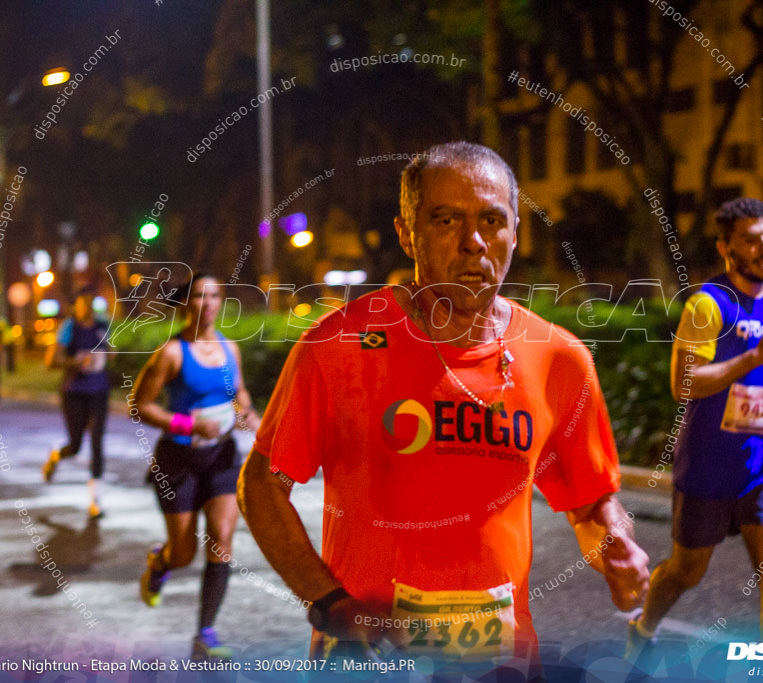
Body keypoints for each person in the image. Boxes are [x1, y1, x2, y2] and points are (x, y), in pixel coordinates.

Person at [238, 141, 650, 680]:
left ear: (516, 233)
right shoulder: (340, 345)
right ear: (407, 233)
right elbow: (262, 487)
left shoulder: (559, 359)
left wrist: (615, 542)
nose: (473, 241)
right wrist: (330, 603)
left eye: (491, 220)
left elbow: (590, 498)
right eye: (446, 219)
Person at [627, 197, 763, 657]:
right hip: (707, 468)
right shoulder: (708, 305)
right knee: (685, 572)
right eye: (751, 240)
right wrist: (752, 358)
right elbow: (684, 382)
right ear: (725, 248)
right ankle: (643, 629)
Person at [132, 273, 260, 661]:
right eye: (199, 297)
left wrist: (247, 414)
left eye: (214, 296)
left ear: (222, 302)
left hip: (221, 456)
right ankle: (161, 561)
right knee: (185, 552)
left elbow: (238, 394)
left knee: (222, 537)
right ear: (187, 304)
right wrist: (187, 424)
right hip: (178, 461)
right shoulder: (172, 353)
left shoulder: (230, 349)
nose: (207, 304)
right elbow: (140, 405)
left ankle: (205, 631)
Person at [42, 289, 113, 518]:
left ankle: (95, 500)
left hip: (99, 391)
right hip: (74, 392)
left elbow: (110, 351)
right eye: (82, 305)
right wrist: (77, 361)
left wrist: (107, 356)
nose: (86, 309)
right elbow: (51, 361)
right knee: (75, 446)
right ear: (76, 307)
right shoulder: (69, 327)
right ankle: (56, 455)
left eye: (90, 304)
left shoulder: (103, 325)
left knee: (97, 441)